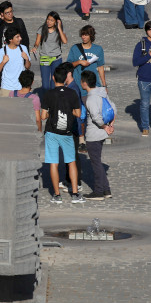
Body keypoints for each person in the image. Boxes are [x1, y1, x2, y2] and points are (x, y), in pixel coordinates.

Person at [42, 66, 83, 204]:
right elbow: (78, 114)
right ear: (66, 78)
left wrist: (51, 112)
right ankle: (75, 194)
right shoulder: (72, 93)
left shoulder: (48, 94)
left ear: (53, 78)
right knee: (71, 162)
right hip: (67, 132)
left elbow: (43, 116)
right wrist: (68, 111)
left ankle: (57, 195)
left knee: (53, 163)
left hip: (52, 132)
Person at [80, 70, 116, 200]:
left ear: (84, 83)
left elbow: (95, 117)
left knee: (96, 164)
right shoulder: (102, 93)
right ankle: (106, 190)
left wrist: (104, 126)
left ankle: (99, 191)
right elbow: (113, 108)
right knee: (98, 162)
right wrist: (110, 124)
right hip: (102, 134)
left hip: (94, 134)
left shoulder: (91, 98)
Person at [67, 24, 106, 99]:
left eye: (86, 35)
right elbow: (68, 65)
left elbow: (100, 67)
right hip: (79, 86)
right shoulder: (75, 48)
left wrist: (104, 85)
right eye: (82, 35)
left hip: (94, 86)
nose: (83, 37)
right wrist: (79, 62)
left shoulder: (98, 49)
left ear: (91, 36)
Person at [32, 11, 67, 94]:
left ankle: (52, 102)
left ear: (56, 21)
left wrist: (59, 28)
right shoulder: (42, 29)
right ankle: (45, 102)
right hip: (45, 57)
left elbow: (65, 41)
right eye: (48, 19)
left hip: (56, 58)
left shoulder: (59, 30)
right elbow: (37, 42)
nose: (49, 22)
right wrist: (35, 47)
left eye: (51, 20)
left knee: (54, 82)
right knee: (45, 84)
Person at [0, 26, 31, 97]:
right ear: (10, 39)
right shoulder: (2, 52)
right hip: (7, 89)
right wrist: (3, 62)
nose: (20, 38)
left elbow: (28, 67)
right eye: (17, 37)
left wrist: (27, 59)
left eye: (20, 36)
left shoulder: (23, 48)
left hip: (21, 88)